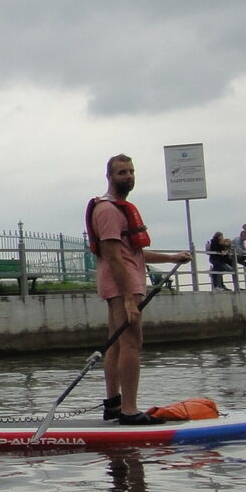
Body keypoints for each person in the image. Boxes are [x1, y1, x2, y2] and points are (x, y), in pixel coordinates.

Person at [87, 155, 190, 424]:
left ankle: (113, 404)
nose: (128, 176)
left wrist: (170, 258)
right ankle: (129, 412)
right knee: (132, 344)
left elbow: (133, 253)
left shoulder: (119, 208)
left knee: (117, 345)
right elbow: (113, 256)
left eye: (131, 171)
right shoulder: (108, 211)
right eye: (122, 172)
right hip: (123, 287)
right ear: (109, 176)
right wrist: (130, 299)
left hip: (122, 285)